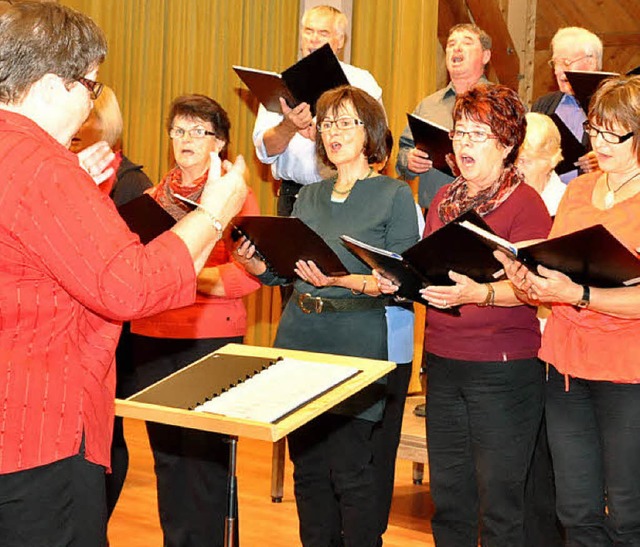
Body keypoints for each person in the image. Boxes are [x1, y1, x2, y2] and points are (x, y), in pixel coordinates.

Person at [0, 3, 247, 546]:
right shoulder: (44, 167)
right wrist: (213, 213)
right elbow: (130, 285)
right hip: (40, 427)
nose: (92, 102)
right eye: (89, 85)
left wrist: (69, 186)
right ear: (47, 85)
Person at [237, 85, 419, 547]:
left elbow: (400, 282)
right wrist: (254, 262)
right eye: (328, 123)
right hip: (300, 337)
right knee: (310, 470)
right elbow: (284, 275)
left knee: (352, 472)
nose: (333, 132)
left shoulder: (393, 195)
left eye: (345, 122)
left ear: (370, 132)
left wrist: (338, 281)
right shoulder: (309, 196)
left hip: (357, 341)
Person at [378, 84, 552, 546]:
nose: (464, 143)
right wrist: (401, 280)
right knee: (450, 500)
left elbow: (537, 289)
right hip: (443, 361)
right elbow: (433, 274)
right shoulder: (443, 200)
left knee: (499, 503)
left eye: (479, 134)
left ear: (507, 143)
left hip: (503, 369)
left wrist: (481, 294)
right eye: (460, 133)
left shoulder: (526, 203)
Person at [497, 74, 640, 546]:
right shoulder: (579, 190)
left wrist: (579, 296)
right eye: (594, 131)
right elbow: (559, 268)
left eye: (612, 134)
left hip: (627, 372)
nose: (599, 143)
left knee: (627, 512)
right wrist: (529, 282)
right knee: (575, 509)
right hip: (565, 366)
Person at [130, 94, 260, 547]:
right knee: (168, 461)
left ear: (220, 143)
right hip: (151, 339)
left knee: (206, 461)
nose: (186, 139)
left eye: (198, 131)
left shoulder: (235, 195)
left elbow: (248, 276)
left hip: (211, 339)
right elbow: (137, 272)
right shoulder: (150, 199)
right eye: (178, 130)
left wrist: (181, 277)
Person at [69, 84, 153, 519]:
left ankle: (98, 514)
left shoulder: (132, 180)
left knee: (107, 429)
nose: (79, 126)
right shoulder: (57, 168)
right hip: (71, 324)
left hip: (115, 322)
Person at [252, 4, 383, 218]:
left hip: (349, 194)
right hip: (293, 196)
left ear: (340, 41)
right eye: (308, 31)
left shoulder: (362, 82)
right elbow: (264, 152)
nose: (313, 39)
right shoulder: (280, 84)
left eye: (323, 33)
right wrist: (290, 126)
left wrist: (325, 136)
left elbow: (378, 145)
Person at [396, 23, 492, 208]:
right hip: (434, 213)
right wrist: (409, 160)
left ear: (486, 56)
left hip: (487, 211)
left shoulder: (502, 103)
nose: (456, 48)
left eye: (467, 42)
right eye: (451, 44)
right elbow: (403, 153)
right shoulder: (428, 105)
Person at [532, 27, 602, 183]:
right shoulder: (543, 105)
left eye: (566, 63)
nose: (559, 71)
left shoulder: (611, 107)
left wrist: (604, 161)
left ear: (591, 63)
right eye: (556, 63)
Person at [70, 84, 153, 207]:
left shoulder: (132, 183)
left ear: (106, 123)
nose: (74, 126)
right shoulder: (57, 171)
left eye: (84, 118)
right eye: (70, 117)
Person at [517, 112, 566, 216]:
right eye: (511, 160)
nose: (515, 168)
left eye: (523, 161)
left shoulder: (565, 206)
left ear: (551, 160)